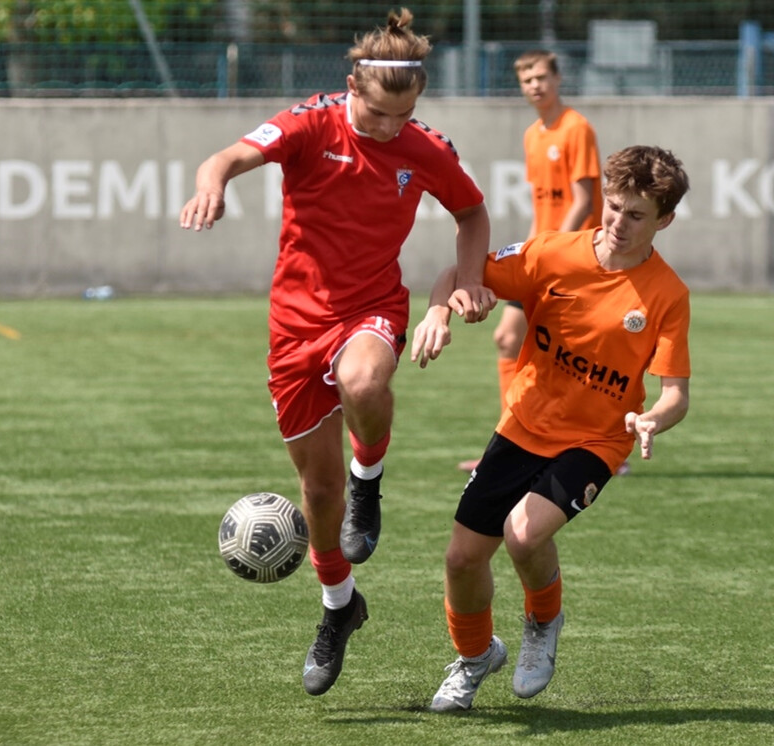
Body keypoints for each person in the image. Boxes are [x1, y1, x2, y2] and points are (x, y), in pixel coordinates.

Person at [179, 8, 493, 698]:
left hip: (370, 307)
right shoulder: (308, 123)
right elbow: (226, 156)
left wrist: (468, 281)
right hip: (293, 325)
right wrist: (213, 183)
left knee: (364, 382)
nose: (389, 129)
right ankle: (338, 609)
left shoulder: (424, 147)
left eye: (402, 116)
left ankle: (369, 481)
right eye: (379, 114)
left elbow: (471, 212)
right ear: (353, 82)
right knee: (315, 496)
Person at [412, 145, 692, 712]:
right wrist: (441, 311)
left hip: (596, 439)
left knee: (522, 534)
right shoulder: (553, 255)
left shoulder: (667, 294)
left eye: (636, 215)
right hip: (522, 424)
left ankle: (543, 622)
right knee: (462, 559)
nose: (618, 223)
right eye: (613, 207)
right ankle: (474, 658)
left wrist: (651, 419)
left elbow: (676, 394)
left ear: (664, 220)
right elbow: (455, 274)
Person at [457, 49, 609, 473]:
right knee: (512, 341)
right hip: (543, 254)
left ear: (558, 78)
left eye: (541, 76)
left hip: (572, 257)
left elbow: (583, 200)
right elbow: (542, 205)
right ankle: (511, 448)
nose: (535, 85)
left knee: (579, 359)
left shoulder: (576, 128)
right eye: (527, 80)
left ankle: (595, 449)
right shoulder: (533, 135)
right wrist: (527, 252)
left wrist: (554, 248)